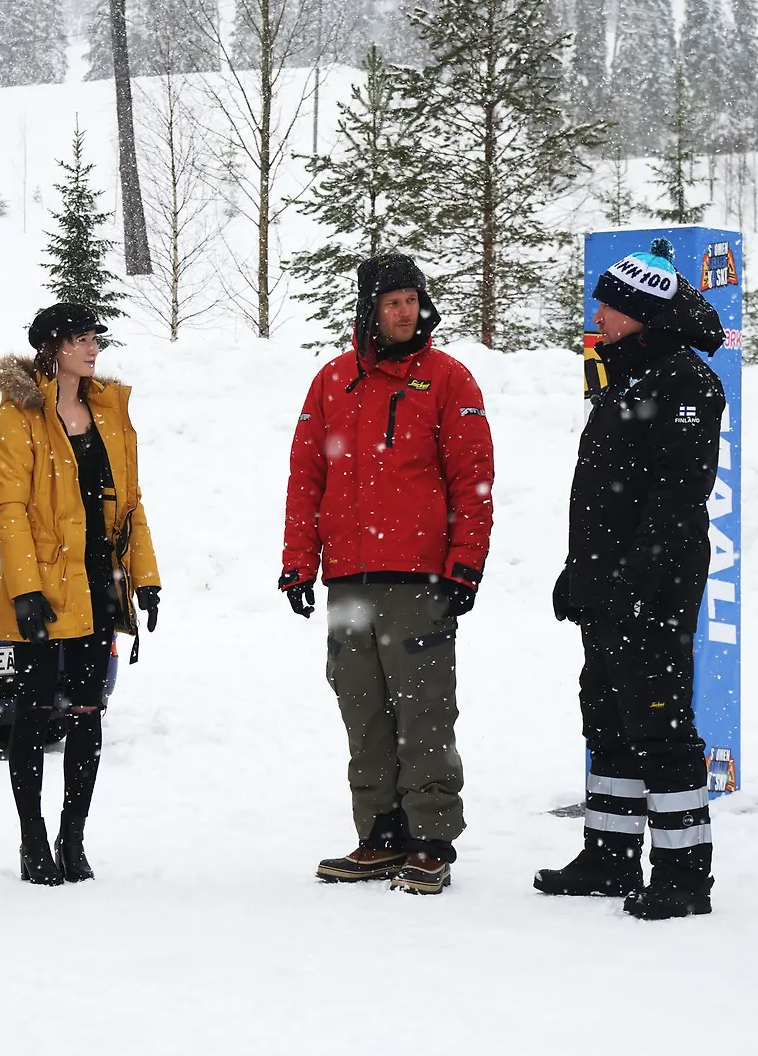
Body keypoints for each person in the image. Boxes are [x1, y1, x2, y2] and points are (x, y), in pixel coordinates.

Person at [281, 252, 495, 896]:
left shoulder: (448, 378)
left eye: (412, 300)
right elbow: (306, 477)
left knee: (424, 709)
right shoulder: (332, 381)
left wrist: (465, 564)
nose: (405, 312)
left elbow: (472, 479)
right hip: (349, 578)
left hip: (418, 579)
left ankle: (429, 840)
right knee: (362, 706)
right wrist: (299, 562)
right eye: (392, 302)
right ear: (369, 310)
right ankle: (379, 834)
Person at [535, 239, 726, 920]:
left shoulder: (686, 382)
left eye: (608, 306)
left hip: (654, 588)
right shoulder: (626, 376)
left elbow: (675, 498)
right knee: (609, 715)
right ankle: (610, 856)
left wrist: (634, 579)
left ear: (641, 314)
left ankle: (683, 874)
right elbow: (605, 497)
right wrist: (581, 573)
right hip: (609, 584)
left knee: (659, 722)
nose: (597, 316)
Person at [0, 302, 160, 885]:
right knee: (33, 713)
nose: (92, 349)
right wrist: (25, 589)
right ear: (52, 347)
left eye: (95, 339)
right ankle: (33, 839)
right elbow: (7, 510)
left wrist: (146, 578)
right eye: (81, 339)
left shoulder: (108, 412)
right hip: (45, 585)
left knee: (87, 710)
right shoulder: (18, 418)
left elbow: (130, 504)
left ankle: (73, 837)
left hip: (100, 580)